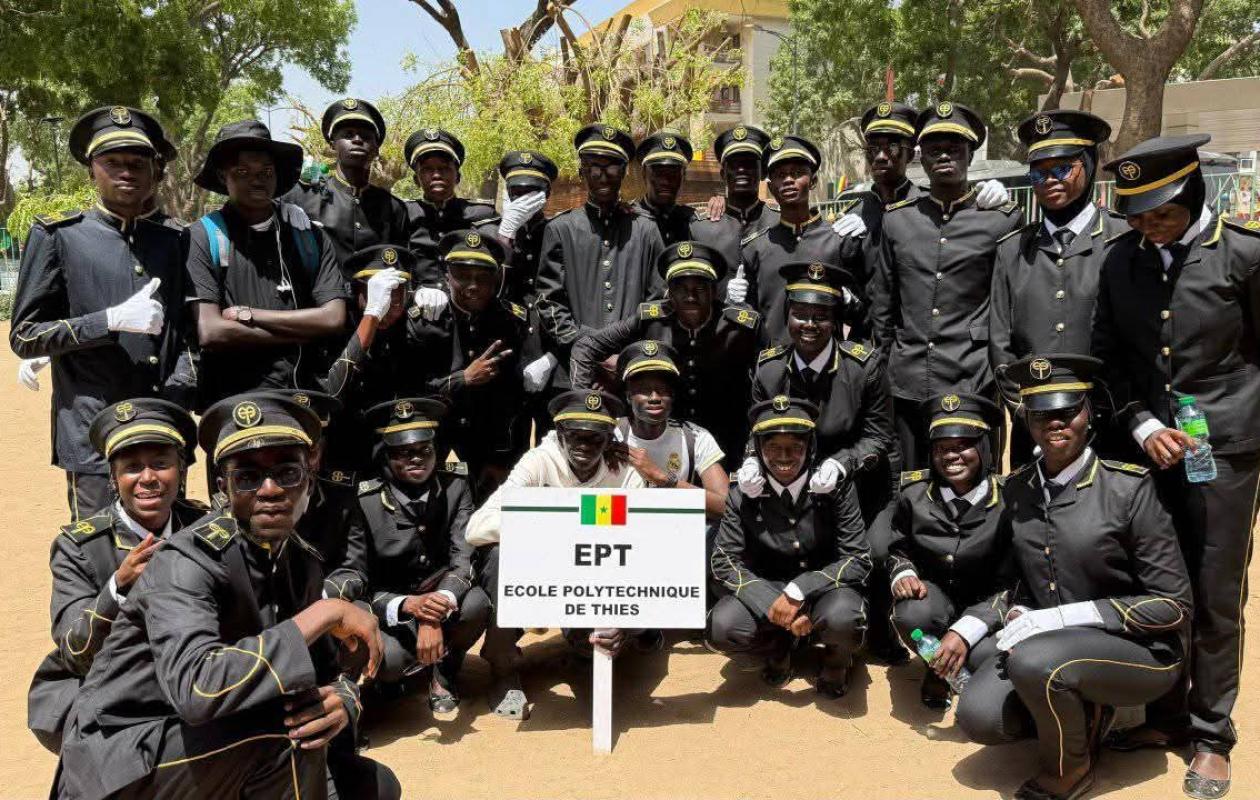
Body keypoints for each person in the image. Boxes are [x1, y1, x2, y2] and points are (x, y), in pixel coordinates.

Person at [55, 393, 399, 800]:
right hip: (127, 750)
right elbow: (196, 689)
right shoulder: (185, 560)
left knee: (373, 786)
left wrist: (344, 699)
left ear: (311, 476)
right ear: (224, 487)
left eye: (287, 473)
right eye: (248, 477)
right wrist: (323, 612)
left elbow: (324, 670)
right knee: (283, 737)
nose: (270, 490)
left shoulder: (299, 559)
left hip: (218, 737)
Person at [1092, 135, 1260, 799]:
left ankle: (1211, 734)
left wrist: (1228, 424)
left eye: (1160, 212)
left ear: (1193, 192)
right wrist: (1141, 422)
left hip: (1222, 454)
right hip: (1150, 449)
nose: (1148, 225)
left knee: (1216, 592)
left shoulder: (1244, 255)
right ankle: (1164, 716)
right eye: (1136, 214)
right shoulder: (1120, 264)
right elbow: (1109, 357)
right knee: (1160, 585)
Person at [953, 354, 1191, 800]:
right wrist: (1015, 609)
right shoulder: (1020, 488)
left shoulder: (1129, 488)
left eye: (1067, 411)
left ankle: (1070, 769)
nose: (1054, 423)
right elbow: (1016, 578)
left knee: (1037, 663)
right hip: (1055, 649)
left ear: (1089, 412)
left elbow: (1173, 606)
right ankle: (1084, 713)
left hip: (1142, 651)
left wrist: (1060, 618)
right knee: (981, 715)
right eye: (1041, 414)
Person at [10, 105, 193, 517]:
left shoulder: (178, 239)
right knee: (96, 549)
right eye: (112, 162)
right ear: (92, 169)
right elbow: (24, 335)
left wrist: (181, 388)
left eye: (137, 162)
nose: (126, 171)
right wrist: (107, 321)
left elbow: (192, 330)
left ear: (153, 169)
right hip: (92, 428)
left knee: (171, 552)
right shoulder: (60, 235)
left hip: (162, 421)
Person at [27, 399, 205, 753]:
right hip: (110, 696)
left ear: (181, 471)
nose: (148, 479)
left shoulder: (205, 528)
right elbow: (74, 650)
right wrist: (118, 588)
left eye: (160, 464)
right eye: (132, 468)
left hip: (192, 683)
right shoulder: (80, 546)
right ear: (113, 478)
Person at [466, 390, 647, 719]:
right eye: (575, 436)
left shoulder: (624, 473)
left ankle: (582, 642)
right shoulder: (539, 460)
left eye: (595, 439)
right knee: (497, 556)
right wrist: (556, 530)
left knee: (597, 649)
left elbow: (643, 544)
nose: (584, 447)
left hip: (597, 575)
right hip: (541, 572)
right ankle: (503, 667)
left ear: (609, 439)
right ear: (560, 435)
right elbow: (478, 527)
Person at [869, 102, 1023, 469]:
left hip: (971, 376)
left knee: (973, 480)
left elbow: (1009, 305)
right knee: (911, 480)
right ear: (921, 158)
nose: (944, 156)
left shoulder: (1001, 220)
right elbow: (884, 307)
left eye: (954, 148)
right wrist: (883, 372)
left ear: (970, 154)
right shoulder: (899, 221)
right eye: (935, 149)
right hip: (908, 379)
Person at [324, 398, 489, 715]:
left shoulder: (455, 486)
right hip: (393, 606)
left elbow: (463, 557)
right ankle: (391, 679)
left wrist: (435, 609)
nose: (417, 459)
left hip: (442, 595)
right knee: (393, 662)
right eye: (403, 452)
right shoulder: (365, 500)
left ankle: (444, 673)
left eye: (424, 450)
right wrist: (407, 605)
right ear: (384, 457)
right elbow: (359, 578)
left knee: (477, 603)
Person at [707, 396, 871, 696]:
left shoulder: (835, 488)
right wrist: (772, 602)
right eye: (772, 447)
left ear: (810, 447)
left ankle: (835, 660)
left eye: (795, 446)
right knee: (723, 625)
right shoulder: (742, 492)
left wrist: (800, 590)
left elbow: (858, 558)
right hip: (770, 588)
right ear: (758, 450)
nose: (784, 457)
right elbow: (723, 560)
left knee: (844, 617)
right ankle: (779, 647)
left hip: (825, 588)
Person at [186, 119, 349, 408]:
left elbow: (334, 319)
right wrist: (304, 330)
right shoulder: (202, 236)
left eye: (266, 171)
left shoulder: (309, 236)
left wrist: (250, 315)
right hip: (235, 403)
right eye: (243, 171)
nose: (257, 179)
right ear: (224, 177)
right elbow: (211, 331)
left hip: (305, 397)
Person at [990, 109, 1121, 464]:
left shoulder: (1121, 239)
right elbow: (1001, 345)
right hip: (1034, 427)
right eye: (1038, 172)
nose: (1050, 180)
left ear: (1089, 165)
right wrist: (1032, 416)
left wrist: (1100, 411)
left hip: (1110, 425)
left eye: (1062, 168)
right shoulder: (1011, 249)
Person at [569, 240, 760, 470]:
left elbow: (770, 372)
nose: (690, 297)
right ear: (669, 292)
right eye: (681, 288)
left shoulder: (739, 325)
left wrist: (755, 443)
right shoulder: (651, 318)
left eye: (700, 288)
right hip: (662, 438)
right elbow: (586, 346)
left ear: (713, 290)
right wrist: (585, 407)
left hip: (728, 439)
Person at [874, 392, 1005, 709]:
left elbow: (1019, 581)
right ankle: (940, 669)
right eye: (942, 448)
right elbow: (895, 546)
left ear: (984, 447)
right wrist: (901, 571)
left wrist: (964, 631)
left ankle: (961, 660)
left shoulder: (1010, 499)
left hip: (987, 608)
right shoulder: (914, 495)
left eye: (963, 446)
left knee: (989, 658)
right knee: (911, 615)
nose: (952, 456)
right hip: (936, 601)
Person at [745, 260, 896, 523]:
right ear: (787, 315)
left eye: (821, 316)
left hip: (856, 483)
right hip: (788, 481)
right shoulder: (769, 369)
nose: (810, 324)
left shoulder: (864, 368)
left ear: (835, 320)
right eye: (800, 314)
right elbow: (757, 430)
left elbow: (879, 436)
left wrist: (841, 463)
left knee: (878, 552)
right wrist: (751, 461)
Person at [409, 230, 542, 499]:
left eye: (483, 278)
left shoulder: (511, 322)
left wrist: (504, 458)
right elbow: (410, 389)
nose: (472, 285)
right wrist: (462, 379)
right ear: (447, 276)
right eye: (462, 276)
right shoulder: (425, 321)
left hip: (490, 449)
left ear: (495, 281)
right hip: (432, 444)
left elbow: (516, 400)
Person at [534, 123, 665, 379]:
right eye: (594, 167)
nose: (603, 175)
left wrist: (631, 355)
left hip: (633, 365)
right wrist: (587, 347)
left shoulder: (646, 230)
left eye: (612, 166)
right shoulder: (561, 229)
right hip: (576, 362)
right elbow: (548, 300)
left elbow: (658, 301)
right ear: (582, 171)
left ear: (625, 172)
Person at [828, 100, 1011, 245]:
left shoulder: (930, 206)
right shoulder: (853, 213)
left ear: (910, 155)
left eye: (893, 147)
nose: (881, 157)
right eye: (873, 148)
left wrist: (990, 198)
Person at [739, 133, 864, 342]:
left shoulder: (839, 240)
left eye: (797, 173)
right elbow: (749, 319)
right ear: (770, 187)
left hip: (826, 368)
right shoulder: (755, 248)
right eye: (780, 175)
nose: (788, 180)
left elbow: (862, 311)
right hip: (773, 367)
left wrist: (849, 302)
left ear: (813, 181)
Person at [475, 150, 562, 434]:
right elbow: (487, 289)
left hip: (550, 358)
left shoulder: (561, 232)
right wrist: (506, 232)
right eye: (516, 191)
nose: (523, 198)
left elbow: (575, 299)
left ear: (546, 194)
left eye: (532, 192)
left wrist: (553, 357)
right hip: (503, 359)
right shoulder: (489, 233)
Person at [283, 98, 409, 275]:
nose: (357, 140)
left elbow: (401, 263)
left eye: (366, 136)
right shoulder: (301, 196)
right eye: (348, 134)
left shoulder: (394, 208)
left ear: (377, 148)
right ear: (332, 144)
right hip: (318, 301)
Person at [612, 340, 729, 520]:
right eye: (644, 390)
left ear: (672, 395)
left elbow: (725, 507)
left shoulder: (695, 437)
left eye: (662, 391)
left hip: (674, 532)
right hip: (620, 529)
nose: (654, 398)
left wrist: (662, 478)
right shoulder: (612, 433)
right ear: (629, 396)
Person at [403, 127, 495, 302]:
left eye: (444, 168)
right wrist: (414, 293)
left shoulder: (481, 214)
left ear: (458, 177)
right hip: (418, 307)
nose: (437, 175)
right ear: (417, 180)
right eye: (428, 169)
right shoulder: (404, 214)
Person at [693, 124, 779, 298]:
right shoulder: (699, 227)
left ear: (762, 173)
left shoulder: (778, 222)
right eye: (734, 164)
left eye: (749, 164)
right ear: (723, 174)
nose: (741, 170)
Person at [633, 131, 698, 246]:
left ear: (683, 176)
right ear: (644, 173)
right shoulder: (629, 219)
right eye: (658, 173)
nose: (666, 181)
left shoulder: (692, 221)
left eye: (673, 173)